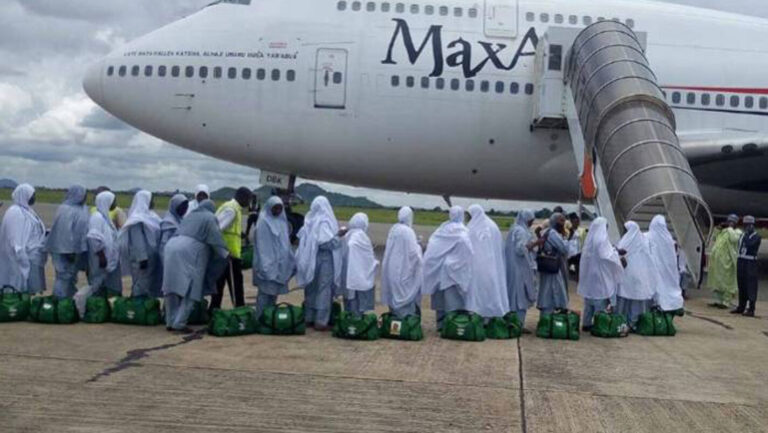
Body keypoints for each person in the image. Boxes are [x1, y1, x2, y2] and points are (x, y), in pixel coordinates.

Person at [162, 200, 229, 333]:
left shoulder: (190, 215)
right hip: (191, 251)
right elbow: (216, 239)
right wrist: (226, 254)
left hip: (171, 246)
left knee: (171, 287)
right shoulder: (210, 217)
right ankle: (179, 323)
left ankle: (170, 321)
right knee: (192, 289)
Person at [295, 196, 345, 331]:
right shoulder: (323, 221)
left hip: (311, 259)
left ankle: (308, 318)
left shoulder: (309, 220)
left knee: (311, 287)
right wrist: (339, 235)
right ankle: (321, 321)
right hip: (324, 259)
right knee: (324, 289)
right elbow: (326, 243)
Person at [422, 206, 473, 330]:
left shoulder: (441, 229)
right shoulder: (464, 232)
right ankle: (453, 326)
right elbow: (469, 252)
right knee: (455, 300)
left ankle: (440, 324)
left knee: (440, 300)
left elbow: (433, 250)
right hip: (456, 273)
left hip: (440, 271)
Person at [210, 187, 253, 312]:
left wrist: (240, 233)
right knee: (235, 285)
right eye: (248, 199)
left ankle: (214, 309)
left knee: (220, 284)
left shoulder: (233, 208)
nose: (249, 203)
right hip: (229, 256)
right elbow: (216, 230)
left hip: (227, 255)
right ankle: (239, 310)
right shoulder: (232, 210)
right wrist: (225, 251)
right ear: (243, 197)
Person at [252, 196, 296, 318]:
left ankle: (269, 318)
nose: (277, 211)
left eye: (279, 208)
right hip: (267, 264)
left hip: (279, 265)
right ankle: (260, 318)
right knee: (264, 294)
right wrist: (266, 266)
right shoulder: (263, 222)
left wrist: (290, 261)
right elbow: (262, 247)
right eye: (275, 208)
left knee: (274, 294)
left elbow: (286, 244)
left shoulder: (282, 223)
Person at [577, 218, 624, 330]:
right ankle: (599, 324)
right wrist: (617, 253)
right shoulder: (602, 240)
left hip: (590, 275)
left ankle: (586, 323)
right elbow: (607, 255)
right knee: (600, 300)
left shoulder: (590, 240)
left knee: (589, 301)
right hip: (600, 275)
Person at [0, 184, 47, 294]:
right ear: (24, 195)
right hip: (22, 258)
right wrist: (23, 260)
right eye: (32, 195)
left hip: (32, 256)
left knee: (30, 289)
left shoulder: (27, 211)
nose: (34, 198)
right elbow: (15, 240)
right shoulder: (15, 213)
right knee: (17, 288)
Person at [465, 205, 509, 320]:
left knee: (476, 293)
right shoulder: (493, 225)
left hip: (477, 266)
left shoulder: (473, 227)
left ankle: (476, 317)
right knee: (490, 292)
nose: (467, 218)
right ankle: (489, 318)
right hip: (493, 266)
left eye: (468, 216)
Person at [46, 185, 90, 299]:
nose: (85, 197)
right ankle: (59, 301)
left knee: (71, 276)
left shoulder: (82, 208)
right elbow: (64, 231)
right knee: (63, 276)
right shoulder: (66, 209)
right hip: (64, 250)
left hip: (76, 250)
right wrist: (68, 251)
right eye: (83, 194)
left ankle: (68, 302)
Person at [119, 190, 162, 298]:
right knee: (140, 284)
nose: (153, 202)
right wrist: (142, 258)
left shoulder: (151, 216)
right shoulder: (137, 220)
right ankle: (136, 309)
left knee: (148, 284)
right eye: (151, 200)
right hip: (143, 259)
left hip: (151, 256)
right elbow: (138, 241)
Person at [381, 207, 423, 318]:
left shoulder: (394, 229)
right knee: (405, 292)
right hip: (404, 269)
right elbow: (413, 253)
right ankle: (406, 320)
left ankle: (394, 318)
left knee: (395, 291)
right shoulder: (408, 231)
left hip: (392, 267)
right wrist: (418, 246)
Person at [505, 209, 541, 329]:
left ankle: (513, 322)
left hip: (513, 267)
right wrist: (536, 244)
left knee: (515, 296)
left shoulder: (514, 229)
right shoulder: (521, 231)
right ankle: (518, 325)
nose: (531, 223)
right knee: (520, 297)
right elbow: (520, 250)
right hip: (520, 268)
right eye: (530, 221)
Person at [616, 221, 655, 329]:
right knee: (636, 301)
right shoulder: (643, 242)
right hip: (640, 275)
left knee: (624, 301)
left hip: (627, 275)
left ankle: (621, 322)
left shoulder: (625, 241)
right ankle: (633, 323)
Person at [340, 213, 379, 316]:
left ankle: (348, 320)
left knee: (348, 299)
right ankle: (357, 319)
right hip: (358, 277)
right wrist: (375, 263)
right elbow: (367, 258)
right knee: (358, 301)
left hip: (347, 275)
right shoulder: (362, 237)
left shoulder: (347, 235)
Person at [86, 191, 123, 296]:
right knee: (97, 285)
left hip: (106, 259)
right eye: (113, 201)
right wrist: (101, 256)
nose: (115, 204)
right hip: (100, 259)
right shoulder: (97, 217)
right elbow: (93, 238)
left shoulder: (105, 217)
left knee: (104, 285)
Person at [647, 215, 684, 313]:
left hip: (652, 271)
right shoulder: (669, 239)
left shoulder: (647, 236)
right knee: (668, 288)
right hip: (667, 270)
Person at [537, 213, 570, 314]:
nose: (563, 223)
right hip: (553, 268)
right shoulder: (553, 234)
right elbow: (564, 249)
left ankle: (547, 318)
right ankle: (547, 319)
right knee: (551, 292)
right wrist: (565, 238)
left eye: (564, 221)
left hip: (548, 266)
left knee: (547, 293)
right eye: (561, 221)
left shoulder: (547, 232)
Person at [708, 214, 741, 309]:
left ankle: (726, 301)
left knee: (727, 282)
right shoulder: (723, 232)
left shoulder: (737, 232)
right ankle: (719, 300)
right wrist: (718, 228)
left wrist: (730, 228)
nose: (730, 223)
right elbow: (714, 237)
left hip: (728, 262)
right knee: (717, 281)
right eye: (729, 221)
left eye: (732, 222)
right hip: (718, 262)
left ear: (735, 224)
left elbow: (734, 239)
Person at [732, 216, 762, 317]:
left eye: (748, 225)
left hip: (750, 262)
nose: (746, 227)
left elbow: (750, 244)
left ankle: (751, 308)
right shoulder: (743, 235)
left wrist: (745, 236)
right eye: (745, 225)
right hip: (741, 260)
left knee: (751, 285)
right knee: (741, 284)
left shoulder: (756, 236)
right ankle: (741, 306)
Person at [159, 194, 189, 259]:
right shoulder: (168, 223)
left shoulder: (180, 219)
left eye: (186, 207)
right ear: (175, 206)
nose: (185, 209)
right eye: (182, 206)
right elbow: (163, 246)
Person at [566, 213, 586, 280]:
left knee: (578, 268)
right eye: (575, 221)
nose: (577, 223)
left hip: (578, 252)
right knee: (567, 268)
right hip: (569, 253)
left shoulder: (582, 230)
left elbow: (584, 240)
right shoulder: (567, 230)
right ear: (571, 221)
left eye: (578, 221)